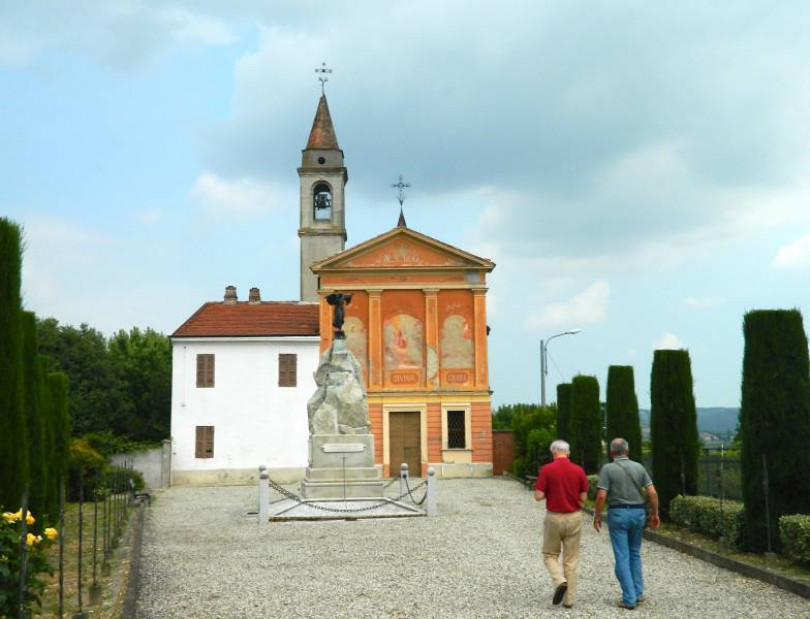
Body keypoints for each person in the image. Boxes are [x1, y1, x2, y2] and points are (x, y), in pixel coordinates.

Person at [593, 438, 660, 610]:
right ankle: (638, 593)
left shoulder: (608, 469)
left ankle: (629, 598)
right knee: (635, 553)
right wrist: (655, 513)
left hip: (618, 513)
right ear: (627, 451)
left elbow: (601, 496)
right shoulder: (639, 467)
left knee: (622, 556)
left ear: (611, 452)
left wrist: (597, 515)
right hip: (638, 513)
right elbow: (652, 492)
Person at [534, 439, 589, 608]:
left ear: (553, 452)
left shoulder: (547, 470)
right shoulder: (579, 470)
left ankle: (559, 581)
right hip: (574, 517)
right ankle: (569, 600)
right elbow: (584, 498)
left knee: (550, 554)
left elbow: (538, 495)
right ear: (568, 452)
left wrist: (550, 492)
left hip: (554, 518)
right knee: (571, 559)